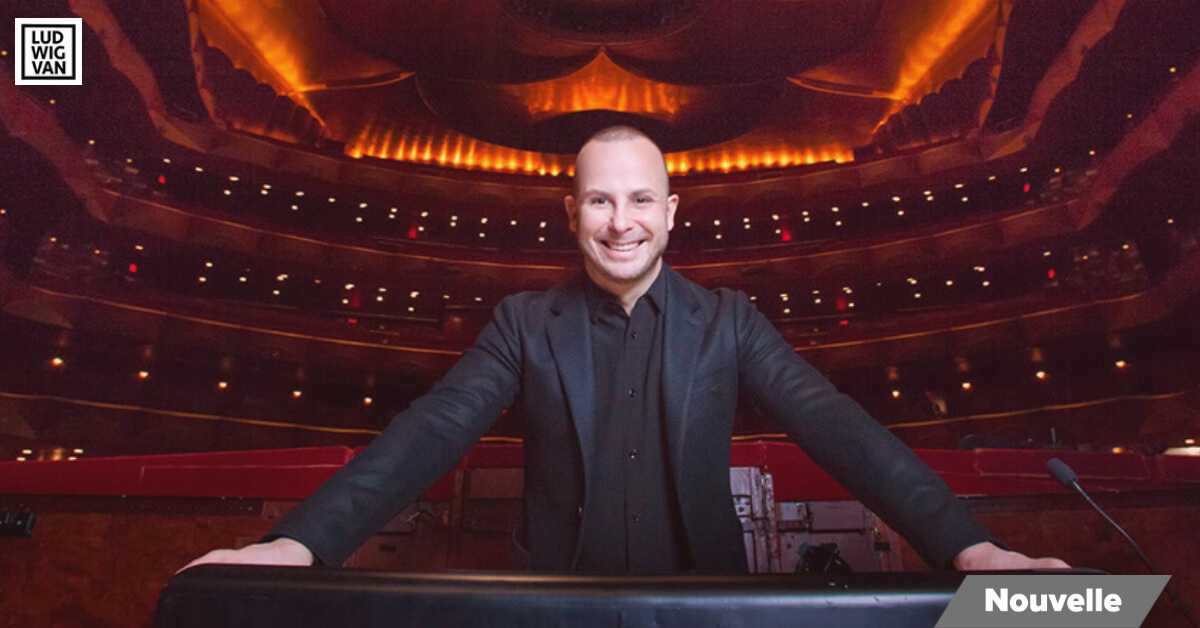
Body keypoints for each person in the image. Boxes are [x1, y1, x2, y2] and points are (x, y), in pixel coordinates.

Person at [185, 126, 1067, 574]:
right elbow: (429, 432)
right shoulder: (523, 323)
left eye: (641, 201)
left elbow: (836, 426)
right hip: (551, 609)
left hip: (706, 607)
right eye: (600, 202)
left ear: (672, 214)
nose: (622, 223)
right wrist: (299, 545)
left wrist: (968, 549)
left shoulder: (729, 320)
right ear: (571, 214)